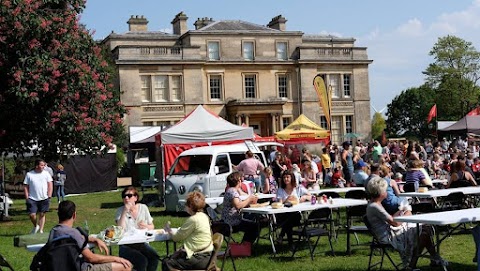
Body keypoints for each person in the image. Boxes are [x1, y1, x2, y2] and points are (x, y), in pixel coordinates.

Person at [366, 177, 447, 270]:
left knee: (424, 230)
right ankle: (414, 265)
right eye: (386, 190)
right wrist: (406, 215)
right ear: (381, 193)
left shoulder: (375, 204)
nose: (387, 192)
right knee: (424, 232)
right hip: (388, 236)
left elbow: (391, 218)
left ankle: (431, 260)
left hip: (389, 231)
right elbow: (395, 223)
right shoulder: (375, 207)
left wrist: (402, 210)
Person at [51, 200, 132, 271]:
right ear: (74, 215)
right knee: (125, 266)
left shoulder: (54, 232)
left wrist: (94, 239)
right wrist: (116, 258)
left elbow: (73, 239)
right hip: (81, 268)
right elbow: (91, 258)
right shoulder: (74, 233)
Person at [163, 192, 214, 271]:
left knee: (167, 262)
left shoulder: (193, 219)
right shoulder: (204, 216)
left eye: (186, 205)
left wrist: (169, 230)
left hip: (199, 258)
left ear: (190, 206)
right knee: (174, 259)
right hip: (208, 257)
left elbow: (177, 237)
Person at [115, 187, 159, 271]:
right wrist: (125, 211)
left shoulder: (143, 208)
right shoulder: (120, 211)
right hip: (126, 245)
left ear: (135, 198)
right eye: (124, 196)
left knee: (154, 257)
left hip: (141, 243)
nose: (126, 198)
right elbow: (120, 229)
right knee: (142, 260)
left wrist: (146, 226)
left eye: (129, 195)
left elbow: (152, 226)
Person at [276, 170, 311, 247]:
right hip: (283, 214)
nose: (286, 179)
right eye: (284, 177)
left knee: (289, 219)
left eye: (288, 177)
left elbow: (312, 196)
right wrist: (287, 199)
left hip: (296, 215)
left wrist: (305, 197)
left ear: (292, 178)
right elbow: (280, 203)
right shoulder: (280, 190)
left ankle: (282, 237)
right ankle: (290, 243)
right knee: (288, 219)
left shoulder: (298, 188)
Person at [221, 172, 259, 243]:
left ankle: (245, 245)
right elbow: (238, 206)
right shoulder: (232, 192)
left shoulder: (231, 190)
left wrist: (249, 202)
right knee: (254, 226)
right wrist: (249, 199)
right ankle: (245, 246)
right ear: (239, 182)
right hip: (231, 223)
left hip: (228, 221)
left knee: (253, 225)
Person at [24, 159, 53, 234]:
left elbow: (50, 184)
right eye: (42, 165)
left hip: (44, 197)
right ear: (36, 166)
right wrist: (27, 197)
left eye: (44, 165)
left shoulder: (46, 174)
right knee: (32, 215)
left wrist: (49, 195)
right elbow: (26, 186)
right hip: (32, 198)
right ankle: (35, 226)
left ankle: (41, 230)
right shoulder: (29, 174)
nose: (43, 167)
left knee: (42, 214)